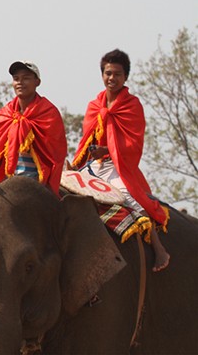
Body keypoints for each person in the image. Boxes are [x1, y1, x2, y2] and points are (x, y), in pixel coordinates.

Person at [72, 49, 170, 272]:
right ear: (102, 75)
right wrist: (86, 158)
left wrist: (106, 151)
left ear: (125, 77)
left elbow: (133, 146)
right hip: (92, 166)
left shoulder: (132, 106)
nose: (111, 78)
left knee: (130, 199)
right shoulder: (94, 106)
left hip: (118, 167)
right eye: (108, 73)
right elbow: (86, 141)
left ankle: (159, 248)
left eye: (117, 74)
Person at [0, 61, 67, 194]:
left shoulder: (49, 113)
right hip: (8, 182)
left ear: (37, 82)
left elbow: (56, 154)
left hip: (37, 183)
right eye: (16, 79)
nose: (20, 82)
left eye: (26, 78)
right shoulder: (5, 114)